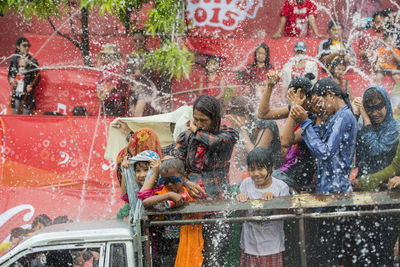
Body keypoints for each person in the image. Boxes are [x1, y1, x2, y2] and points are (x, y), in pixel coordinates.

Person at [290, 78, 357, 265]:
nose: (319, 110)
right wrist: (304, 112)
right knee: (326, 255)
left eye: (320, 104)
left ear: (329, 95)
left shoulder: (344, 116)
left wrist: (304, 122)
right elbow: (316, 139)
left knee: (331, 257)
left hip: (336, 198)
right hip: (327, 198)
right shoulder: (335, 117)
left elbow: (324, 152)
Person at [174, 95, 238, 267]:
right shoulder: (186, 138)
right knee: (193, 258)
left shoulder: (228, 135)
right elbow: (175, 168)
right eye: (196, 120)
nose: (199, 123)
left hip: (218, 207)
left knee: (214, 259)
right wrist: (187, 183)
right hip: (191, 207)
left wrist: (196, 131)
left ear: (215, 119)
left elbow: (215, 142)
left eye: (203, 120)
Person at [351, 86, 400, 266]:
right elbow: (350, 141)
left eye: (379, 106)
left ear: (386, 104)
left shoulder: (395, 127)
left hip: (388, 193)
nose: (375, 112)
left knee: (384, 245)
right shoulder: (364, 123)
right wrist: (355, 114)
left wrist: (364, 117)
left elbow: (375, 150)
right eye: (370, 108)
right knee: (362, 245)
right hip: (364, 190)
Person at [258, 73, 317, 191]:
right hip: (285, 170)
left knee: (265, 183)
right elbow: (263, 114)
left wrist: (295, 106)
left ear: (305, 97)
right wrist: (269, 87)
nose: (292, 101)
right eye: (291, 97)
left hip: (300, 174)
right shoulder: (297, 107)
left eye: (295, 97)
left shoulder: (314, 118)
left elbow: (286, 141)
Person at [141, 158, 203, 267]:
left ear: (183, 177)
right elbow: (145, 202)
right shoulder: (163, 193)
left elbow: (204, 196)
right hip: (166, 243)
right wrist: (168, 195)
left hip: (187, 241)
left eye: (173, 180)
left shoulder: (190, 191)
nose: (169, 184)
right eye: (165, 181)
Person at [236, 147, 289, 267]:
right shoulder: (246, 184)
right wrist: (241, 202)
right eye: (252, 169)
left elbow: (287, 213)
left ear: (272, 167)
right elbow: (240, 215)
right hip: (249, 245)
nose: (256, 174)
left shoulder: (281, 187)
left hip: (272, 246)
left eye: (260, 168)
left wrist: (274, 202)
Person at [115, 128, 162, 220]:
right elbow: (127, 197)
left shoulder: (161, 173)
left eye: (146, 170)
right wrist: (125, 171)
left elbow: (143, 195)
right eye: (138, 171)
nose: (142, 174)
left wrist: (154, 174)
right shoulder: (129, 161)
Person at [225, 96, 281, 170]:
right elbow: (239, 164)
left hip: (273, 174)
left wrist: (242, 130)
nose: (235, 124)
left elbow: (257, 158)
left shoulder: (267, 123)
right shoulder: (247, 128)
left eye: (236, 121)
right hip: (257, 174)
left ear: (246, 115)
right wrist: (240, 133)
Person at [124, 30, 158, 117]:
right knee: (132, 113)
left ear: (145, 41)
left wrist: (141, 74)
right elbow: (127, 73)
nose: (138, 43)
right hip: (133, 89)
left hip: (145, 89)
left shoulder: (150, 55)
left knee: (138, 113)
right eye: (135, 40)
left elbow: (152, 73)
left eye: (140, 40)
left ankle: (139, 131)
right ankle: (135, 131)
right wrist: (129, 76)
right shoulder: (131, 56)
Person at [8, 37, 41, 115]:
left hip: (27, 93)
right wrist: (11, 79)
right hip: (16, 92)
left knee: (25, 116)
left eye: (28, 46)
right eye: (24, 45)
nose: (27, 48)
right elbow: (10, 74)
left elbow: (37, 76)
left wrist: (31, 85)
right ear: (18, 47)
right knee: (14, 115)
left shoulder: (33, 61)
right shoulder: (13, 60)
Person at [96, 43, 125, 116]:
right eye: (106, 55)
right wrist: (99, 91)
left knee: (114, 117)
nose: (108, 57)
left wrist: (106, 92)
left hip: (116, 98)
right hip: (105, 98)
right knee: (105, 116)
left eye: (110, 55)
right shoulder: (103, 66)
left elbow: (116, 82)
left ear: (114, 56)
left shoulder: (118, 66)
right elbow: (99, 81)